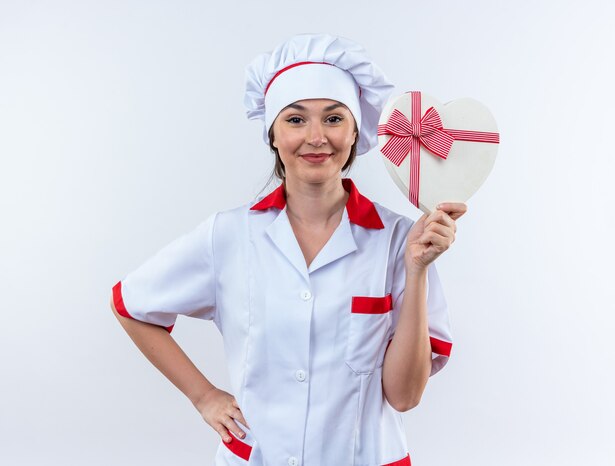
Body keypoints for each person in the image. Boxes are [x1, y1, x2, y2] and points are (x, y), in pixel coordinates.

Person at [110, 33, 466, 466]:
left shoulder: (400, 241)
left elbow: (405, 396)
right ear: (272, 134)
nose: (316, 137)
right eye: (296, 120)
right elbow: (132, 304)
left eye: (334, 119)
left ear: (356, 132)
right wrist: (203, 396)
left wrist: (416, 270)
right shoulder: (228, 236)